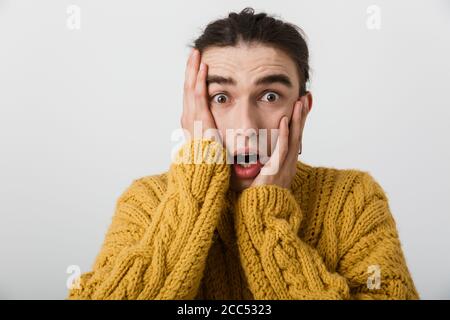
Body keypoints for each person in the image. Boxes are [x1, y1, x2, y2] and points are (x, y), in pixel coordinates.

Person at [67, 7, 419, 300]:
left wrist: (265, 219)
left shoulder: (352, 199)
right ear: (191, 111)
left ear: (302, 109)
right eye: (220, 98)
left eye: (269, 96)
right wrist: (196, 186)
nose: (246, 126)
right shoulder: (146, 201)